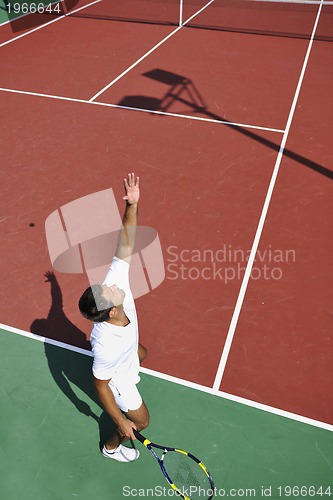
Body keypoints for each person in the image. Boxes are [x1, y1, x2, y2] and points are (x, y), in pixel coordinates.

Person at [78, 173, 149, 462]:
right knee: (141, 421)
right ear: (113, 311)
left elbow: (125, 242)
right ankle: (110, 447)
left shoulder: (112, 294)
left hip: (127, 352)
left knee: (142, 352)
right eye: (108, 289)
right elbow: (100, 385)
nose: (110, 282)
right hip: (117, 379)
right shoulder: (106, 347)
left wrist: (132, 205)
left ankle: (135, 358)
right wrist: (120, 420)